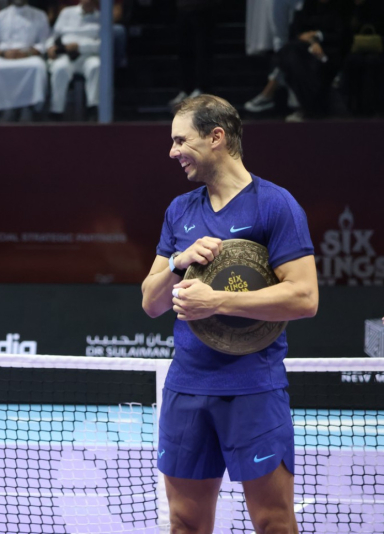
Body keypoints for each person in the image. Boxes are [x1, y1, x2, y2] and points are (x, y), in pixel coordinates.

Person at [141, 94, 318, 534]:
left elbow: (304, 298)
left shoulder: (275, 205)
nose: (172, 151)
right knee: (184, 523)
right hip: (186, 388)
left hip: (254, 388)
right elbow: (151, 302)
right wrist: (178, 261)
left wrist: (217, 301)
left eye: (181, 140)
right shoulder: (180, 210)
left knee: (274, 523)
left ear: (216, 137)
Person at [0, 0, 50, 121]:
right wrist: (4, 53)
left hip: (29, 55)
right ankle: (6, 108)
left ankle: (28, 107)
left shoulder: (40, 15)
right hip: (5, 55)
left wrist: (26, 53)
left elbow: (44, 43)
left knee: (37, 67)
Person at [47, 0, 100, 119]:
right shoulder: (67, 12)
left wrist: (80, 47)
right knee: (60, 68)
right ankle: (56, 111)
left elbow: (103, 45)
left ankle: (93, 108)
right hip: (65, 54)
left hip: (88, 55)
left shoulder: (101, 17)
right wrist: (50, 47)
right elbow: (54, 35)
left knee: (96, 66)